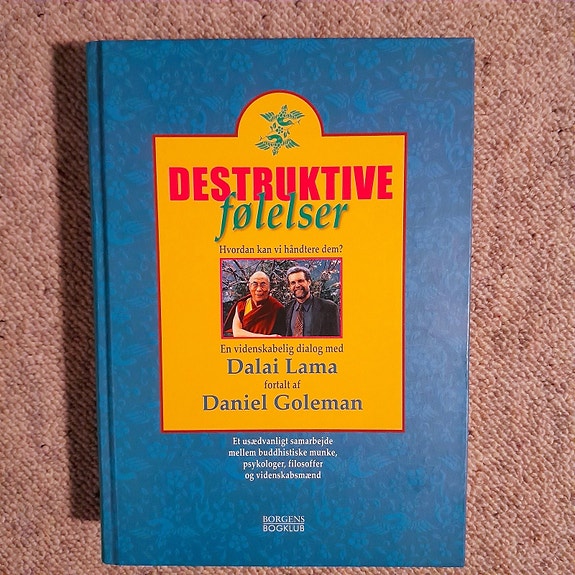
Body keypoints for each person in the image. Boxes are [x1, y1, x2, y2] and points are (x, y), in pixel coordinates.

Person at [224, 271, 285, 337]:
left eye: (263, 285)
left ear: (269, 287)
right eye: (254, 284)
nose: (258, 289)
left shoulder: (277, 308)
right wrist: (267, 337)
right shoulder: (242, 305)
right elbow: (237, 333)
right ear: (249, 287)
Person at [284, 266, 340, 337]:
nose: (297, 285)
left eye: (300, 281)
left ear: (309, 282)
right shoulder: (287, 309)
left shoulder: (328, 308)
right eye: (293, 283)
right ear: (289, 287)